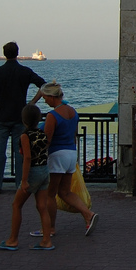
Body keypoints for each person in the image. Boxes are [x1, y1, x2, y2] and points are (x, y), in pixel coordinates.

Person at [0, 41, 46, 195]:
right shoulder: (25, 71)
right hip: (20, 117)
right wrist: (32, 103)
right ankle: (20, 185)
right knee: (20, 153)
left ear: (4, 54)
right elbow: (44, 86)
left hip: (1, 116)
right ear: (17, 53)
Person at [42, 81, 98, 236]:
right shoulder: (73, 111)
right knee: (65, 192)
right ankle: (88, 214)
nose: (45, 101)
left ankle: (50, 228)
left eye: (45, 98)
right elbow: (73, 135)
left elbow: (47, 139)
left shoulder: (52, 115)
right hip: (71, 153)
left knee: (50, 194)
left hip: (57, 155)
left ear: (51, 97)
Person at [0, 104, 53, 251]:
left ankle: (13, 240)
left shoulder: (25, 136)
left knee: (16, 205)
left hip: (33, 172)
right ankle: (47, 240)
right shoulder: (42, 133)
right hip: (44, 170)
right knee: (42, 207)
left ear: (24, 120)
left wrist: (24, 180)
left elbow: (27, 158)